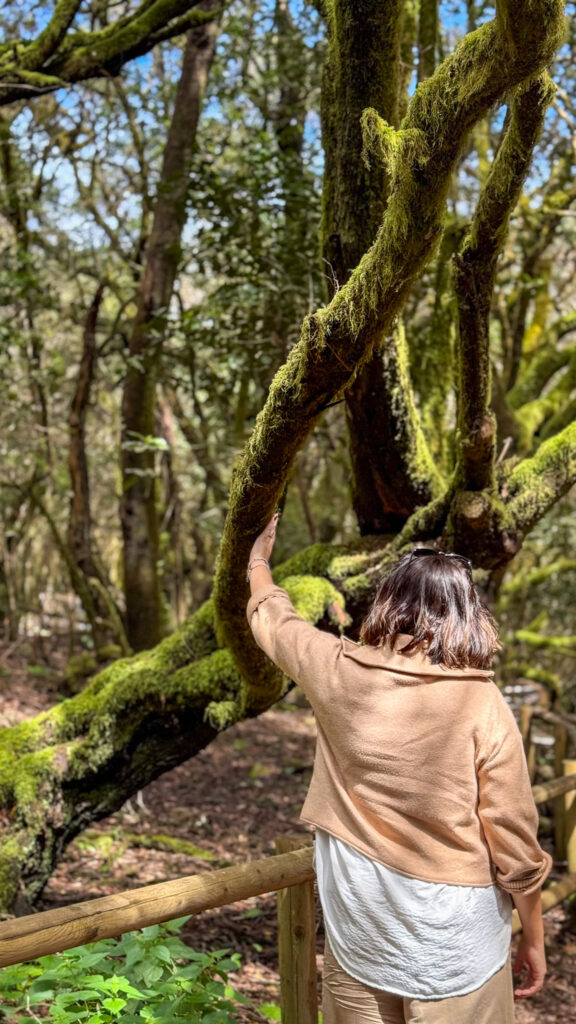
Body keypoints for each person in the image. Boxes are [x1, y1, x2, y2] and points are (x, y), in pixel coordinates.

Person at [246, 515, 552, 1024]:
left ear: (389, 602)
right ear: (466, 614)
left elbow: (274, 622)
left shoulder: (337, 668)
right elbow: (515, 843)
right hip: (458, 943)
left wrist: (257, 562)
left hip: (361, 929)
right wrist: (534, 939)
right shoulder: (483, 703)